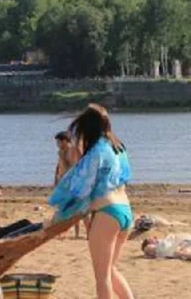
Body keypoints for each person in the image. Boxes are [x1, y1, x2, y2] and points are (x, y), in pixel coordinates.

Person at [48, 103, 134, 299]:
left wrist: (60, 215)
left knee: (102, 277)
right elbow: (124, 177)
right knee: (111, 270)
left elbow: (79, 189)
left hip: (107, 214)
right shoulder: (119, 148)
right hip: (125, 211)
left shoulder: (96, 152)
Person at [54, 131, 83, 239]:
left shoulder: (72, 150)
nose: (57, 144)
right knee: (64, 207)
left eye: (59, 142)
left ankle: (77, 233)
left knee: (75, 208)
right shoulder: (62, 151)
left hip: (71, 183)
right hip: (63, 181)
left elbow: (71, 166)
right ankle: (65, 231)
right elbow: (58, 166)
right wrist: (56, 179)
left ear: (65, 141)